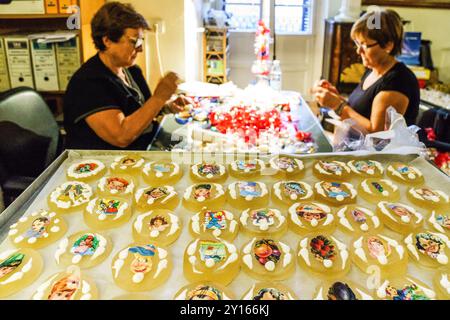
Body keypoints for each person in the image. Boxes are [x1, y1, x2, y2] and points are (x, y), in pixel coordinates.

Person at [64, 2, 190, 150]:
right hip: (107, 164)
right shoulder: (88, 83)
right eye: (134, 41)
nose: (141, 48)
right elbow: (121, 136)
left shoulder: (131, 70)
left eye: (141, 41)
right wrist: (159, 98)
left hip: (144, 146)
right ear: (107, 41)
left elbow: (140, 113)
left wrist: (165, 107)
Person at [311, 9, 419, 133]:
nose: (358, 51)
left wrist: (338, 106)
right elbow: (361, 112)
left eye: (365, 45)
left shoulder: (398, 82)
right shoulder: (373, 70)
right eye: (357, 43)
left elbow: (377, 135)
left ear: (388, 45)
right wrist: (335, 98)